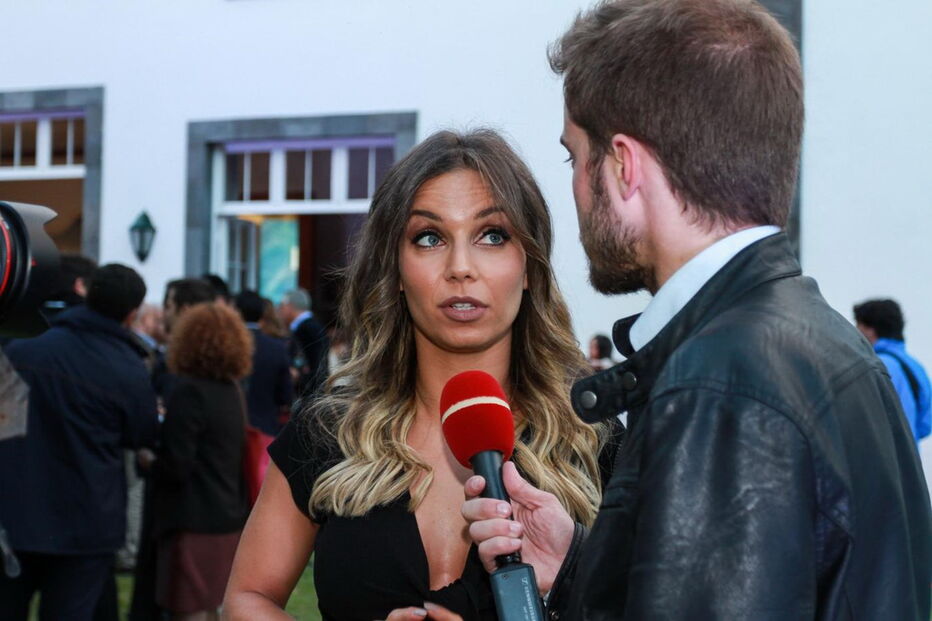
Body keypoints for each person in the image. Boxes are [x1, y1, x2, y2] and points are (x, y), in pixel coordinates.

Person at [462, 1, 932, 619]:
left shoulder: (721, 384)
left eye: (574, 157)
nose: (574, 185)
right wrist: (581, 567)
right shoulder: (817, 336)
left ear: (624, 166)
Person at [222, 129, 615, 620]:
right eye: (429, 238)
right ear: (396, 268)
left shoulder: (593, 440)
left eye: (492, 235)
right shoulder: (330, 431)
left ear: (530, 264)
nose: (460, 267)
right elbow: (246, 599)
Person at [0, 264, 159, 621]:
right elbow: (142, 434)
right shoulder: (126, 366)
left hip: (16, 510)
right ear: (133, 312)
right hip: (84, 520)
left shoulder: (23, 344)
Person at [152, 303, 252, 621]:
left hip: (193, 518)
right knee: (214, 608)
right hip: (228, 516)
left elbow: (176, 464)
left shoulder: (189, 393)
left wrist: (148, 461)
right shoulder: (232, 391)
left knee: (191, 609)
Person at [854, 298, 932, 444]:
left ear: (871, 330)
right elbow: (925, 426)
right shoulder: (916, 367)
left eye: (858, 327)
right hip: (911, 463)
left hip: (878, 461)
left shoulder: (872, 365)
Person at [233, 289, 294, 436]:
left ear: (236, 312)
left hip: (231, 427)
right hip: (265, 427)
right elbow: (285, 395)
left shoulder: (227, 345)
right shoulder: (277, 347)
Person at [278, 288, 330, 399]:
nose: (280, 310)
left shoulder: (306, 329)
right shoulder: (312, 326)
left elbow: (316, 363)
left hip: (309, 392)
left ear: (289, 306)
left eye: (282, 306)